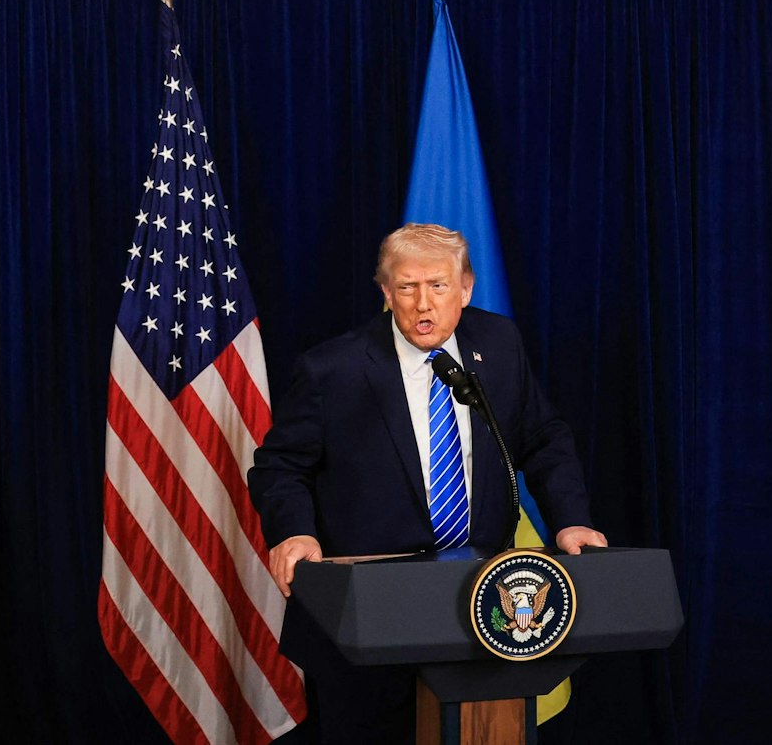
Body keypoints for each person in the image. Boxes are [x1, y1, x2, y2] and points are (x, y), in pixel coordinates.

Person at [248, 224, 607, 744]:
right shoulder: (335, 369)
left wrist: (572, 520)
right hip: (369, 614)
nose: (423, 304)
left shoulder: (498, 343)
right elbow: (280, 466)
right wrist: (295, 533)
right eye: (407, 287)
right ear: (386, 292)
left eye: (438, 286)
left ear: (465, 288)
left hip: (482, 602)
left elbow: (543, 438)